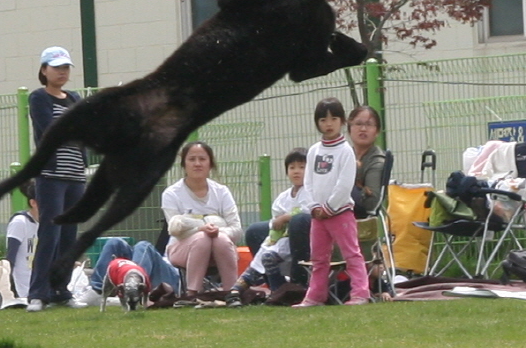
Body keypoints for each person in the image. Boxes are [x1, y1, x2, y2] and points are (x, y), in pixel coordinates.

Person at [245, 104, 385, 283]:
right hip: (316, 211)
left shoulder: (375, 160)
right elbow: (312, 183)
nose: (363, 129)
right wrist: (315, 205)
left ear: (377, 131)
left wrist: (338, 194)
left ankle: (300, 282)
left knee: (299, 221)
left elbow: (370, 203)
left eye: (369, 124)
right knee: (254, 231)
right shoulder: (331, 150)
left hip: (345, 217)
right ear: (349, 126)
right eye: (358, 123)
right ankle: (277, 284)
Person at [293, 97, 371, 307]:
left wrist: (329, 207)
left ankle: (360, 294)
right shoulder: (314, 151)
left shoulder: (345, 151)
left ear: (342, 121)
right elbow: (308, 182)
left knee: (351, 254)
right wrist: (314, 206)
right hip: (318, 216)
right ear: (317, 123)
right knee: (319, 259)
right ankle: (315, 296)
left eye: (334, 119)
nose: (328, 124)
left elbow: (344, 184)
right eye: (323, 120)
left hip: (340, 213)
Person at [26, 46, 87, 312]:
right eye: (56, 67)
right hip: (51, 176)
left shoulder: (74, 98)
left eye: (65, 68)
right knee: (49, 234)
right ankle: (38, 293)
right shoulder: (38, 98)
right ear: (44, 70)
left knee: (69, 237)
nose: (62, 72)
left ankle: (61, 290)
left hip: (75, 177)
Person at [226, 148, 309, 306]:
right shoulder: (283, 197)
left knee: (269, 255)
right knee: (263, 249)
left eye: (302, 167)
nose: (296, 171)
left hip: (301, 239)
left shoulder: (311, 192)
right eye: (292, 167)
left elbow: (308, 212)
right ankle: (247, 289)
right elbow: (275, 219)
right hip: (279, 237)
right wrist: (277, 226)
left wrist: (287, 218)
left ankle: (280, 291)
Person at [161, 141, 242, 297]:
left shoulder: (222, 192)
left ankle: (232, 292)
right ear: (184, 164)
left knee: (221, 238)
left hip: (219, 248)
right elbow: (175, 229)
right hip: (181, 249)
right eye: (192, 159)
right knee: (202, 238)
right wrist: (201, 229)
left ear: (210, 163)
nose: (197, 164)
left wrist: (218, 231)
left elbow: (236, 230)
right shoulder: (171, 194)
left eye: (202, 159)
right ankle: (192, 293)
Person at [77, 238, 181, 306]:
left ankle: (133, 291)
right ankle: (97, 291)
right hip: (157, 264)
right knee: (115, 243)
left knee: (144, 246)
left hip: (173, 278)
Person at [5, 181, 39, 299]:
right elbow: (11, 256)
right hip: (23, 285)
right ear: (33, 203)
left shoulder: (48, 224)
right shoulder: (20, 222)